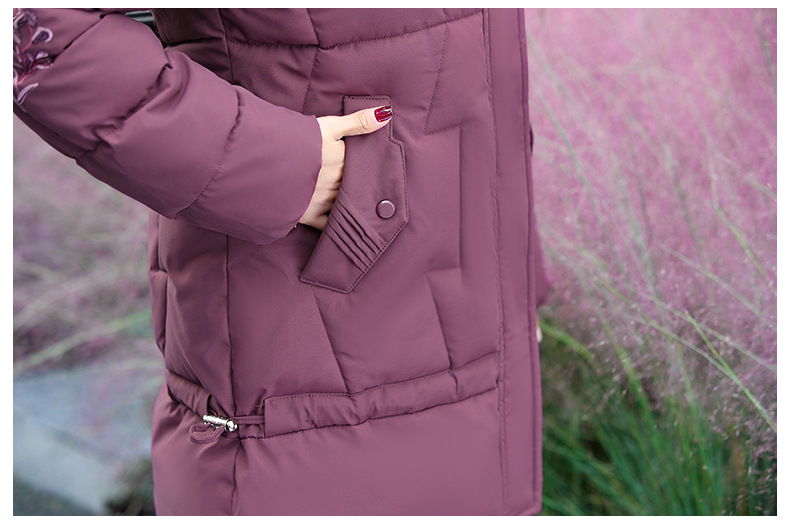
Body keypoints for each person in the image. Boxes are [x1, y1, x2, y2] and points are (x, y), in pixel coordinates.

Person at [14, 8, 550, 515]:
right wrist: (282, 165)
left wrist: (518, 285)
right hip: (298, 380)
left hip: (477, 352)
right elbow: (33, 29)